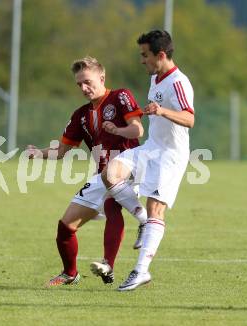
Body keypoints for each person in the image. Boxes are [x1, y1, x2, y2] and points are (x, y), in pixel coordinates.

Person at [26, 56, 147, 286]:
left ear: (102, 77)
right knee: (65, 227)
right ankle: (70, 273)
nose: (83, 87)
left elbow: (137, 130)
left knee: (113, 206)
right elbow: (61, 151)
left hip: (128, 167)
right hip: (102, 174)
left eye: (87, 81)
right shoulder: (80, 115)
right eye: (79, 84)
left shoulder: (120, 96)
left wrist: (118, 130)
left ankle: (108, 264)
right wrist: (38, 152)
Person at [101, 30, 195, 291]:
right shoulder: (156, 78)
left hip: (169, 156)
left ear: (161, 55)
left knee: (157, 209)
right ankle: (142, 220)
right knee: (110, 174)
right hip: (151, 148)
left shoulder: (178, 82)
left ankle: (141, 270)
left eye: (145, 55)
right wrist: (123, 126)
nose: (142, 60)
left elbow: (190, 119)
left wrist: (163, 110)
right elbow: (157, 113)